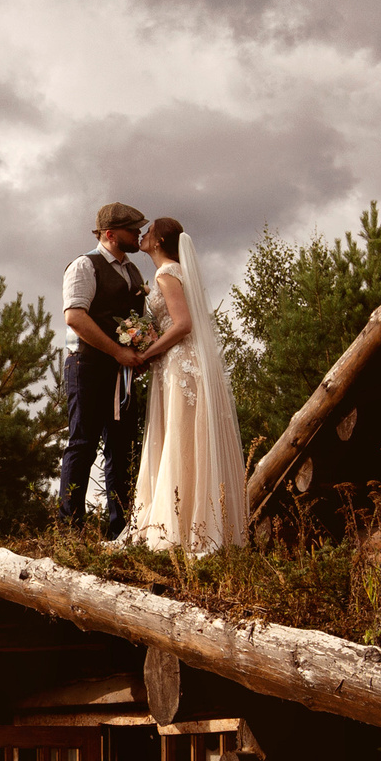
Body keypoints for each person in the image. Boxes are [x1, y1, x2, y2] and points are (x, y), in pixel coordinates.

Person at [120, 216, 252, 553]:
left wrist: (148, 350)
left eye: (148, 232)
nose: (143, 235)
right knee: (185, 437)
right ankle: (191, 521)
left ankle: (179, 529)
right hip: (178, 362)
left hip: (180, 363)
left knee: (181, 436)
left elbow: (183, 324)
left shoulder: (166, 274)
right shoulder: (175, 273)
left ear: (160, 240)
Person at [58, 203, 151, 536]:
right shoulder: (85, 265)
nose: (139, 233)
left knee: (122, 447)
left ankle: (120, 530)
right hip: (86, 366)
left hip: (121, 374)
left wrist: (139, 352)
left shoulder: (134, 273)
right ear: (110, 234)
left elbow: (136, 321)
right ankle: (70, 531)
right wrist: (118, 352)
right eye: (132, 229)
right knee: (82, 443)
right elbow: (75, 317)